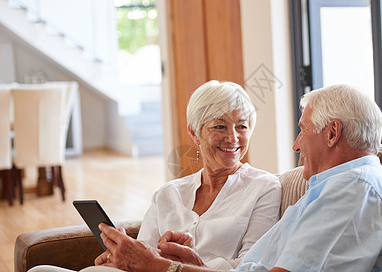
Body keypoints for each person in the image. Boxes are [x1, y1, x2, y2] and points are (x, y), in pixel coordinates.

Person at [92, 84, 382, 272]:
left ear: (332, 133)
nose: (295, 144)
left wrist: (162, 267)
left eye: (302, 129)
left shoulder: (356, 193)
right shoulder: (334, 190)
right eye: (219, 126)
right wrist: (193, 263)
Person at [28, 80, 281, 272]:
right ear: (195, 134)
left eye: (242, 126)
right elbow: (141, 258)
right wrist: (119, 257)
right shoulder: (168, 194)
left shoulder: (264, 187)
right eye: (220, 126)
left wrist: (194, 264)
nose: (233, 138)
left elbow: (252, 265)